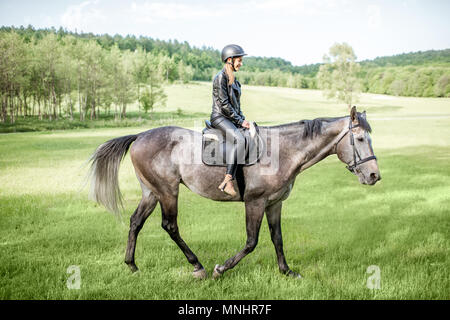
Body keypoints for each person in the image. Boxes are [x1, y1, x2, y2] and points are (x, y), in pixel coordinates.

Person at [211, 44, 251, 197]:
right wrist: (240, 122)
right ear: (230, 60)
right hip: (219, 117)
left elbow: (237, 106)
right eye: (239, 60)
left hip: (231, 118)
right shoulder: (220, 77)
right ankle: (228, 180)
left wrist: (243, 119)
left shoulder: (234, 81)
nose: (241, 63)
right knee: (240, 140)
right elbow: (224, 104)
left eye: (241, 60)